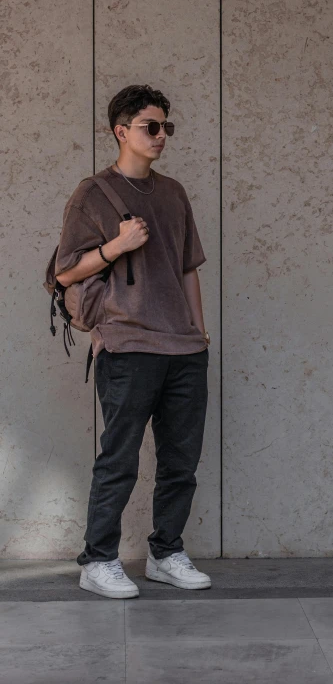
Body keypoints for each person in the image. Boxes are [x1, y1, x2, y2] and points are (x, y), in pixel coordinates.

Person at [55, 84, 211, 599]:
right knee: (118, 458)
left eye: (167, 126)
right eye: (151, 126)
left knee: (181, 460)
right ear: (121, 131)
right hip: (126, 343)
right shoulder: (92, 194)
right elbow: (65, 273)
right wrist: (116, 246)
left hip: (183, 348)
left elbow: (188, 268)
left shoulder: (173, 192)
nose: (161, 135)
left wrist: (199, 332)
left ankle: (166, 553)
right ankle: (97, 560)